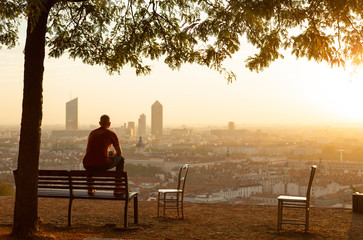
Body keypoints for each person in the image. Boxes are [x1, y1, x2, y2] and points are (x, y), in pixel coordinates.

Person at [83, 115, 124, 195]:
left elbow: (92, 151)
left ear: (99, 123)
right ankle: (118, 187)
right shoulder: (111, 134)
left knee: (91, 161)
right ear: (109, 124)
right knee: (120, 159)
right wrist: (113, 154)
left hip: (87, 164)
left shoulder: (92, 133)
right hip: (102, 163)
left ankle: (90, 188)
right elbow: (119, 153)